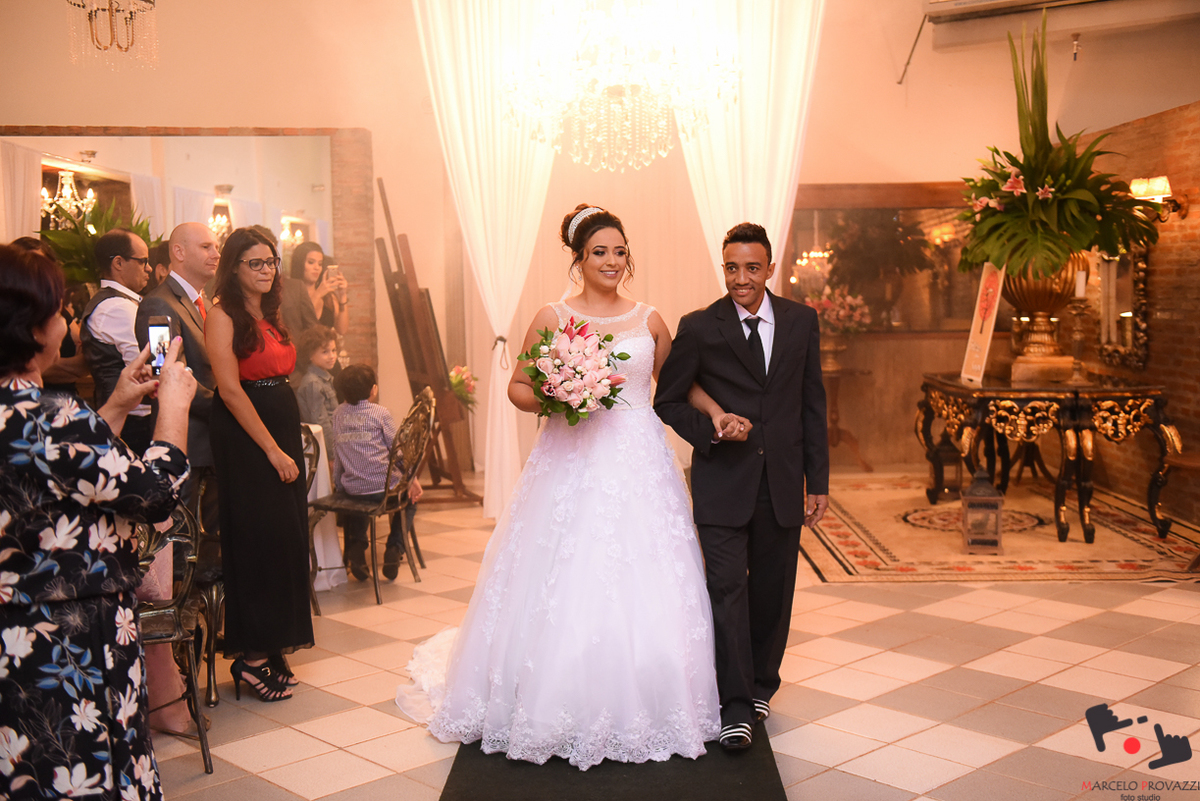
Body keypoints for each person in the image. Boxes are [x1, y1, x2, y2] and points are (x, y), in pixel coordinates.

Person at [395, 204, 720, 771]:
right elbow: (519, 387)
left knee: (647, 573)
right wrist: (560, 394)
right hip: (569, 459)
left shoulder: (650, 320)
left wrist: (716, 413)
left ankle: (652, 696)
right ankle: (553, 697)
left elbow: (674, 387)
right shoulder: (553, 315)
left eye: (620, 252)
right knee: (565, 570)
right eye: (600, 252)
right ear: (579, 258)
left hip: (639, 460)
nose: (612, 261)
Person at [0, 244, 197, 800]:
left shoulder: (34, 422)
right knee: (86, 772)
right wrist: (173, 407)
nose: (67, 324)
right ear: (33, 328)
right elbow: (154, 497)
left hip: (12, 640)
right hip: (72, 641)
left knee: (28, 773)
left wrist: (115, 404)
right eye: (59, 312)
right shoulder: (55, 419)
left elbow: (54, 476)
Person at [654, 222, 830, 751]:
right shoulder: (699, 326)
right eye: (732, 268)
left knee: (773, 592)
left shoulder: (801, 321)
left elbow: (812, 405)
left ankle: (759, 688)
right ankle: (733, 706)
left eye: (752, 268)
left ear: (770, 268)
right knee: (727, 590)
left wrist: (818, 481)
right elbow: (669, 399)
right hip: (723, 483)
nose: (740, 279)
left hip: (782, 482)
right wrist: (713, 428)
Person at [206, 227, 314, 702]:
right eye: (256, 262)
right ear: (234, 268)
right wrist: (272, 449)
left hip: (279, 428)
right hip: (249, 441)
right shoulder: (221, 315)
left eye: (271, 261)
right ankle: (249, 659)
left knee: (286, 540)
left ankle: (271, 646)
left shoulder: (269, 313)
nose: (267, 270)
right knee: (259, 543)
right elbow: (230, 390)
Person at [135, 222, 221, 537]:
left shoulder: (206, 302)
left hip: (213, 439)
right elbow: (167, 374)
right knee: (183, 539)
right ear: (179, 252)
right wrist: (227, 408)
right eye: (206, 247)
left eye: (216, 247)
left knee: (214, 537)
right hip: (186, 441)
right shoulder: (159, 304)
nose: (216, 254)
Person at [329, 364, 423, 582]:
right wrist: (411, 478)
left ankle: (356, 547)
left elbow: (338, 453)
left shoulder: (338, 414)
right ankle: (395, 548)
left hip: (353, 489)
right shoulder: (380, 413)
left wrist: (339, 486)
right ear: (373, 390)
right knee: (409, 502)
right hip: (385, 490)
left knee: (358, 503)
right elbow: (397, 451)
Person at [80, 228, 155, 452]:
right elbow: (147, 367)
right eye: (143, 261)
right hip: (132, 421)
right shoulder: (116, 307)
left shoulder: (118, 303)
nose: (149, 268)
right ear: (119, 263)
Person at [280, 242, 347, 340]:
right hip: (300, 347)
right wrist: (318, 294)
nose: (317, 268)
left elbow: (342, 330)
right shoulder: (289, 293)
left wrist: (343, 296)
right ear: (299, 264)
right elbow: (299, 322)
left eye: (320, 264)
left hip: (326, 348)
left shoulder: (328, 297)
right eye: (311, 262)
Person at [293, 325, 339, 434]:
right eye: (325, 352)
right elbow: (321, 423)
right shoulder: (313, 383)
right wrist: (334, 445)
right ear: (310, 354)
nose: (332, 356)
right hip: (327, 440)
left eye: (334, 350)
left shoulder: (325, 378)